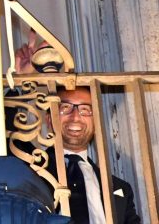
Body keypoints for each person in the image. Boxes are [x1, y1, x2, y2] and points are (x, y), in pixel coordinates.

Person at [45, 87, 141, 224]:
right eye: (65, 108)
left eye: (85, 109)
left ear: (96, 122)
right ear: (49, 120)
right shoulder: (32, 172)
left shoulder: (120, 187)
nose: (76, 117)